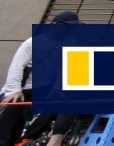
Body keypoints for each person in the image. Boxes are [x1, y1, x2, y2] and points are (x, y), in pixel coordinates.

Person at [0, 12, 82, 146]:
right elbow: (16, 66)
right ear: (55, 25)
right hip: (22, 89)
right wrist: (13, 90)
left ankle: (38, 139)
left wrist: (57, 89)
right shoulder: (32, 42)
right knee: (10, 120)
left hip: (45, 90)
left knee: (67, 101)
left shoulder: (71, 43)